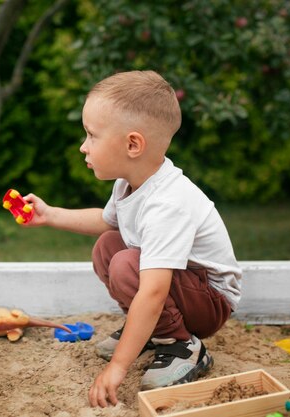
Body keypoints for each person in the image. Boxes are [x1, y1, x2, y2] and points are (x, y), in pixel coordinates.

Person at [23, 70, 242, 407]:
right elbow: (106, 221)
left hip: (210, 302)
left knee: (126, 263)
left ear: (132, 144)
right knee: (107, 247)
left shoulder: (167, 202)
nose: (84, 146)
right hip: (184, 288)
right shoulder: (129, 183)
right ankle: (153, 333)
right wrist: (50, 214)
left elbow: (154, 291)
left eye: (92, 135)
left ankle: (183, 345)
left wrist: (117, 367)